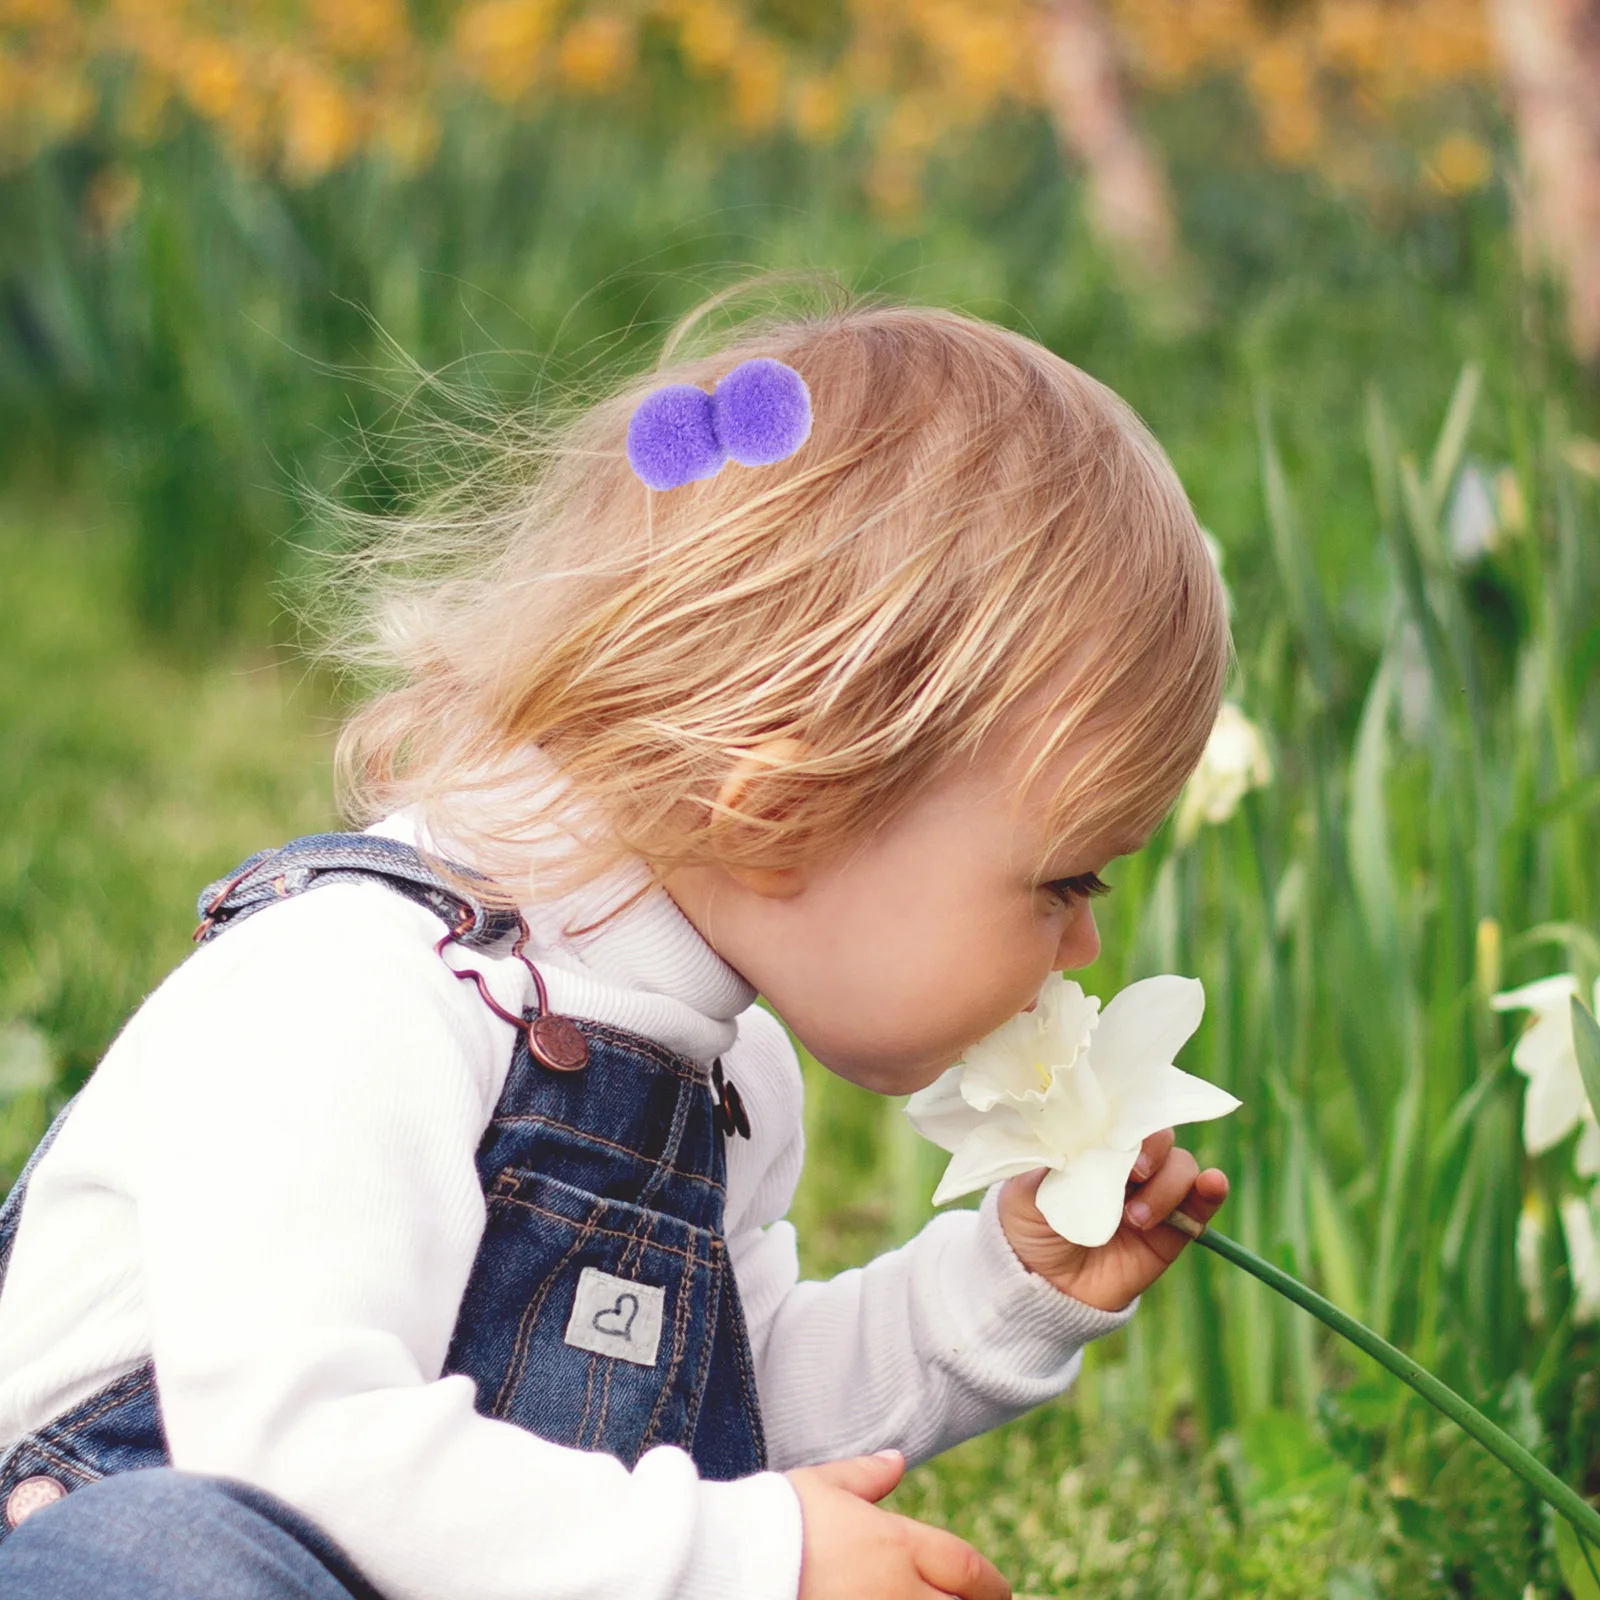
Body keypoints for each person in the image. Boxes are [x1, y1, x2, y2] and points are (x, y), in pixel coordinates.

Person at [0, 295, 1232, 1600]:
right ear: (777, 814)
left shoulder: (724, 1074)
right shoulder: (362, 993)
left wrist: (1000, 1290)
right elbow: (293, 1454)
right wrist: (753, 1561)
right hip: (132, 1539)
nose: (1086, 942)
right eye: (1062, 882)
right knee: (171, 1557)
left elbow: (713, 1426)